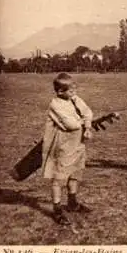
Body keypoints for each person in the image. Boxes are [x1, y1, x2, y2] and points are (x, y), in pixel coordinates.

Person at [41, 73, 94, 225]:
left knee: (75, 173)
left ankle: (72, 203)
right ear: (60, 92)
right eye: (71, 90)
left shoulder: (75, 99)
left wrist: (88, 126)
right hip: (62, 146)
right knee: (59, 178)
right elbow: (71, 124)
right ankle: (57, 209)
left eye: (75, 89)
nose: (74, 93)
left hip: (78, 143)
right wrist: (83, 122)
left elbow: (88, 112)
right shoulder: (55, 104)